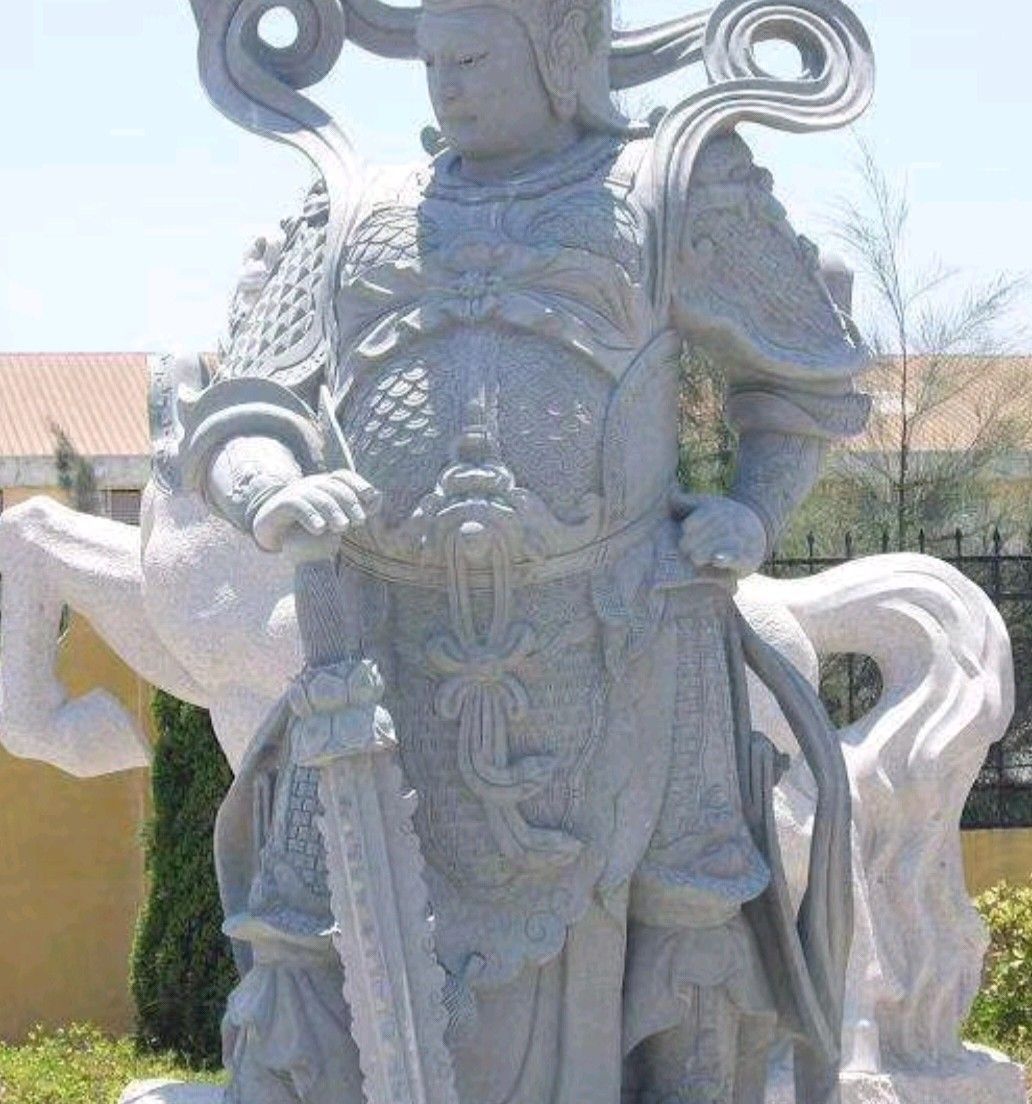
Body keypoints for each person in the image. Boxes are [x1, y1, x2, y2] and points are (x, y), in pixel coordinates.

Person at [176, 1, 870, 1100]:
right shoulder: (358, 208)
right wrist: (272, 491)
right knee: (305, 942)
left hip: (623, 639)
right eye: (433, 58)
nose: (446, 82)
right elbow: (240, 408)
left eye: (474, 55)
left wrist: (751, 509)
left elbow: (803, 377)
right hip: (379, 652)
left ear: (560, 49)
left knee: (689, 943)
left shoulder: (666, 189)